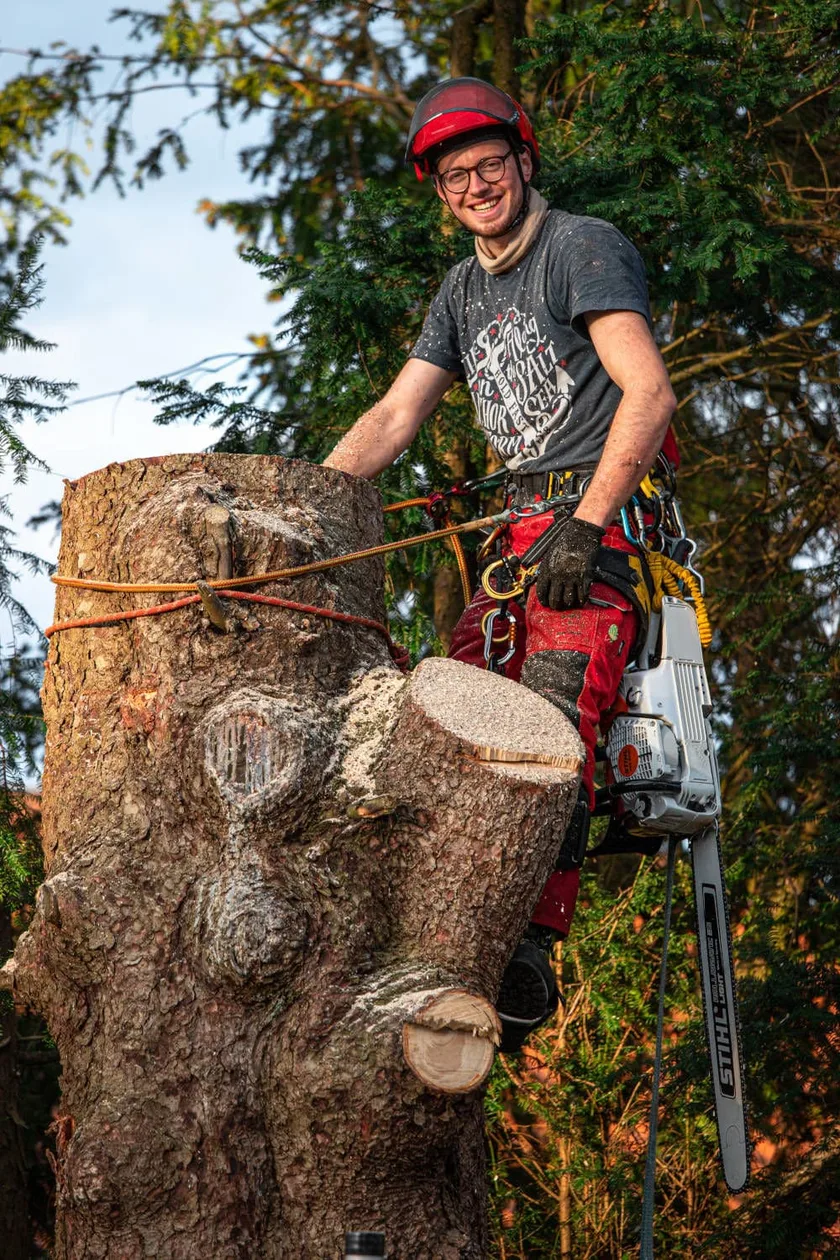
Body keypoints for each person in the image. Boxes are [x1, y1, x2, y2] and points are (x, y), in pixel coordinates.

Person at [323, 77, 677, 1050]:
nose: (475, 185)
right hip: (519, 536)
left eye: (488, 164)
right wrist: (307, 508)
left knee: (548, 720)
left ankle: (526, 947)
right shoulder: (461, 291)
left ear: (524, 160)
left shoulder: (579, 247)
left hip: (598, 526)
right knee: (447, 723)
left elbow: (647, 394)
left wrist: (591, 524)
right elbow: (397, 414)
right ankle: (432, 938)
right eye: (453, 176)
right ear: (439, 193)